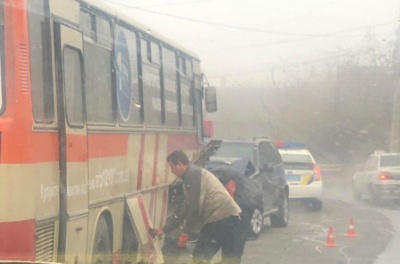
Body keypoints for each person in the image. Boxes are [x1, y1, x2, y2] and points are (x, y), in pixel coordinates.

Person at [162, 150, 242, 264]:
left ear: (179, 164)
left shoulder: (192, 175)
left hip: (218, 218)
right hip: (231, 218)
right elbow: (186, 206)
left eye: (172, 167)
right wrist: (166, 229)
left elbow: (194, 208)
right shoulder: (193, 175)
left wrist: (186, 232)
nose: (171, 171)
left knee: (200, 257)